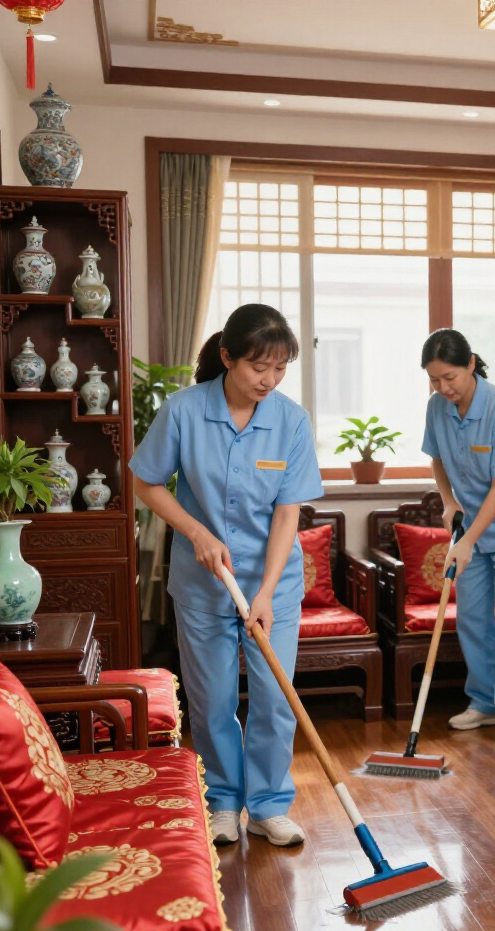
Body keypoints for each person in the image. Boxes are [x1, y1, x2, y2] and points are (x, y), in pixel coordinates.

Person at [131, 304, 323, 848]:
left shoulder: (290, 420)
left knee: (273, 698)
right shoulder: (184, 411)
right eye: (258, 366)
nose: (269, 379)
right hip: (202, 584)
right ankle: (222, 801)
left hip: (274, 588)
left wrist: (265, 591)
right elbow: (146, 484)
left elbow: (289, 511)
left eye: (280, 367)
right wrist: (196, 531)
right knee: (213, 699)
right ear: (226, 357)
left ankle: (268, 806)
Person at [421, 328, 495, 742]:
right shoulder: (437, 406)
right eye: (435, 379)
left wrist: (468, 539)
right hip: (469, 525)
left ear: (471, 364)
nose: (443, 387)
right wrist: (448, 501)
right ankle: (485, 703)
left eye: (450, 377)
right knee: (471, 619)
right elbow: (437, 458)